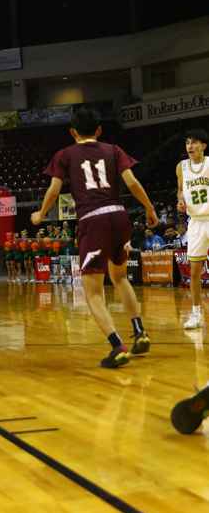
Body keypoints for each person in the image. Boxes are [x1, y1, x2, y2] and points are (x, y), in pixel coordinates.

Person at [31, 108, 158, 368]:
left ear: (72, 132)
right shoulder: (114, 150)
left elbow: (54, 190)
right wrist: (149, 208)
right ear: (99, 130)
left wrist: (41, 214)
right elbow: (132, 183)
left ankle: (117, 346)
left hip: (93, 220)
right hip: (119, 215)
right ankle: (140, 331)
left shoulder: (65, 154)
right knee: (120, 277)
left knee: (93, 292)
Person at [177, 129, 209, 329]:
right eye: (188, 142)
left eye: (195, 142)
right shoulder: (181, 167)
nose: (190, 146)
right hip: (196, 221)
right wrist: (180, 201)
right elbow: (180, 190)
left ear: (204, 145)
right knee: (195, 271)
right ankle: (196, 314)